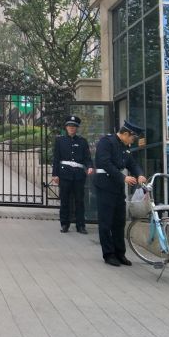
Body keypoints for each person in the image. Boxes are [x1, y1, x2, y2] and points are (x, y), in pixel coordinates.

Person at [94, 120, 146, 267]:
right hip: (105, 186)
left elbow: (132, 163)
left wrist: (139, 174)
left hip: (117, 187)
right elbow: (105, 163)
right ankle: (108, 254)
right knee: (106, 222)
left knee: (119, 222)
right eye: (133, 138)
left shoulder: (125, 147)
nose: (133, 141)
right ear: (125, 134)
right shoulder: (106, 142)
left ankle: (120, 253)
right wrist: (123, 177)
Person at [51, 114, 93, 233]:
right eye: (69, 126)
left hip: (78, 175)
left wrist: (90, 167)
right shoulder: (60, 141)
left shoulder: (82, 141)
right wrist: (55, 174)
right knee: (65, 200)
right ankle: (65, 224)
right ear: (66, 127)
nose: (71, 128)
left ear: (77, 128)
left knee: (79, 201)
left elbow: (87, 158)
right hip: (64, 174)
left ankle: (81, 225)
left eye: (74, 126)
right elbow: (56, 158)